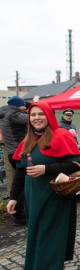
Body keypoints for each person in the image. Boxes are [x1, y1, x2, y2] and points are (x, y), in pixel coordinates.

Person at [6, 101, 80, 270]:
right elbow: (20, 170)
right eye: (33, 115)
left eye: (40, 114)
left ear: (48, 116)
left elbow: (74, 164)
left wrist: (46, 169)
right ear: (28, 118)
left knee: (50, 233)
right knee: (37, 233)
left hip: (55, 195)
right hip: (33, 196)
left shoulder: (61, 135)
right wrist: (13, 197)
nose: (37, 118)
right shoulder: (28, 140)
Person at [0, 95, 28, 226]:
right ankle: (20, 216)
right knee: (22, 185)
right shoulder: (14, 114)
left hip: (13, 153)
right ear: (18, 106)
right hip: (21, 153)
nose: (25, 109)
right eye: (23, 107)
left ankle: (21, 215)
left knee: (20, 184)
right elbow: (31, 119)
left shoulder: (4, 113)